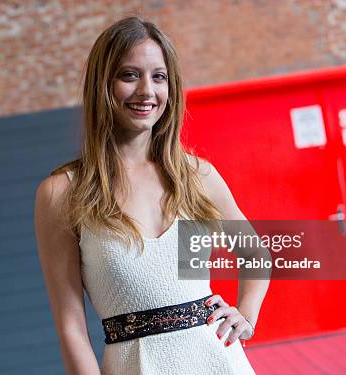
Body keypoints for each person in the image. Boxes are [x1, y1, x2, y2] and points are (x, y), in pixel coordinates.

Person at [34, 16, 269, 375]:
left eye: (158, 77)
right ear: (102, 85)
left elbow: (255, 253)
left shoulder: (196, 175)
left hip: (219, 362)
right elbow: (71, 328)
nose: (147, 91)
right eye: (130, 75)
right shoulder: (63, 192)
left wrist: (246, 316)